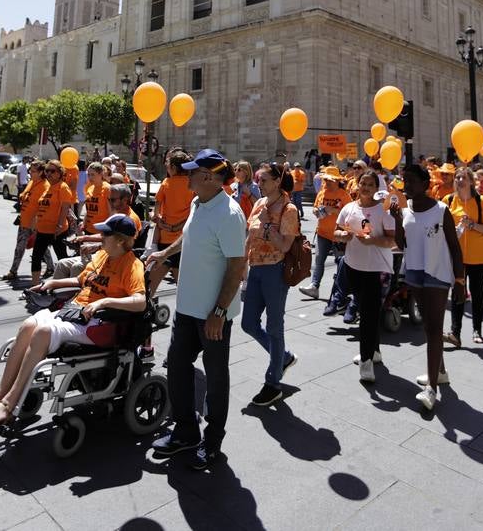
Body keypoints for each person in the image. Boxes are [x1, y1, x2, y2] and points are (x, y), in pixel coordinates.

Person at [0, 214, 146, 427]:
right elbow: (80, 280)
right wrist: (53, 283)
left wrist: (103, 303)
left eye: (106, 234)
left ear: (120, 240)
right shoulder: (103, 256)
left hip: (99, 323)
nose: (100, 237)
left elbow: (140, 301)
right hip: (75, 312)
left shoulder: (132, 265)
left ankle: (8, 405)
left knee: (43, 332)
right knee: (29, 325)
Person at [147, 149, 246, 471]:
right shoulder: (198, 203)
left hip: (212, 315)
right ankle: (186, 431)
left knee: (216, 377)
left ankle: (212, 440)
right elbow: (187, 238)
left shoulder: (229, 214)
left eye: (191, 171)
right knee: (177, 366)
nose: (185, 176)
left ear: (207, 177)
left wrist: (219, 312)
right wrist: (164, 255)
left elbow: (236, 266)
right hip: (187, 307)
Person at [396, 165, 465, 411]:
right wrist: (396, 220)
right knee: (428, 326)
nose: (407, 186)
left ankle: (431, 389)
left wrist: (460, 280)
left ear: (426, 184)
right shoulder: (405, 211)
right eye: (405, 181)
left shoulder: (441, 210)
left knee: (434, 328)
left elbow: (455, 248)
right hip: (415, 272)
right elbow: (401, 243)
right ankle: (441, 372)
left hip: (438, 273)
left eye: (412, 181)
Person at [241, 163, 299, 406]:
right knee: (248, 324)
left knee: (275, 326)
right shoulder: (258, 204)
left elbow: (285, 246)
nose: (259, 184)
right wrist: (241, 265)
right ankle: (282, 357)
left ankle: (273, 382)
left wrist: (267, 224)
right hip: (255, 268)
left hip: (275, 270)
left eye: (264, 180)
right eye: (258, 180)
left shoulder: (289, 208)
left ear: (277, 182)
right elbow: (249, 235)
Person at [333, 170, 395, 383]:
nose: (366, 187)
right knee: (366, 310)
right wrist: (344, 235)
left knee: (368, 315)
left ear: (377, 188)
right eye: (363, 183)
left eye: (370, 184)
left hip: (377, 270)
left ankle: (366, 362)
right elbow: (337, 231)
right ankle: (374, 350)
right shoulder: (349, 208)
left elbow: (393, 241)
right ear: (357, 185)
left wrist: (374, 241)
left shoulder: (383, 211)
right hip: (353, 267)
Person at [442, 167, 483, 346]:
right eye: (457, 177)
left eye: (463, 177)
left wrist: (472, 224)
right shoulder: (448, 200)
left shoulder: (482, 201)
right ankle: (455, 333)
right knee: (458, 293)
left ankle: (477, 330)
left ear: (471, 181)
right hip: (457, 258)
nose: (459, 180)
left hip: (480, 257)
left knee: (477, 294)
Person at [53, 181, 141, 279]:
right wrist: (84, 238)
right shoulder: (116, 214)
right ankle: (54, 292)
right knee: (61, 264)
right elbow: (106, 235)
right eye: (108, 199)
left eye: (112, 200)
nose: (109, 203)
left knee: (77, 267)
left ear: (125, 200)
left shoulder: (130, 219)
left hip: (113, 258)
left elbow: (124, 245)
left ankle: (79, 293)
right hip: (103, 254)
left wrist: (96, 246)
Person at [299, 165, 351, 299]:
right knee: (319, 260)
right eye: (325, 180)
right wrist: (317, 211)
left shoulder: (344, 195)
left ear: (336, 181)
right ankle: (314, 286)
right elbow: (316, 208)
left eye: (329, 180)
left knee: (341, 262)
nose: (326, 182)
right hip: (322, 233)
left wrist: (333, 211)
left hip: (338, 235)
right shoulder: (322, 192)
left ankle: (341, 290)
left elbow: (350, 214)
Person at [148, 150, 194, 297]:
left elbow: (156, 205)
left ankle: (145, 308)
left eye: (167, 165)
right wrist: (178, 226)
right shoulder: (191, 185)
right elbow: (194, 211)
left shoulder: (166, 182)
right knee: (184, 286)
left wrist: (159, 220)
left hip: (165, 239)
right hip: (183, 241)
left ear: (173, 168)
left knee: (150, 284)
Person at [0, 160, 53, 281]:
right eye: (30, 170)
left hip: (34, 224)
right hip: (24, 221)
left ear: (41, 173)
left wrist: (35, 226)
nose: (30, 172)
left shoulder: (45, 186)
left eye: (33, 171)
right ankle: (13, 271)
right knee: (20, 248)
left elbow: (42, 207)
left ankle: (50, 268)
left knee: (40, 248)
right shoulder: (32, 182)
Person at [31, 160, 73, 285]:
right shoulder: (47, 187)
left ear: (60, 173)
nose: (49, 173)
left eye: (52, 171)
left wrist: (59, 226)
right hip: (42, 229)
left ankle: (68, 285)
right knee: (36, 257)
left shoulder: (63, 187)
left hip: (56, 231)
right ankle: (35, 286)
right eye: (47, 171)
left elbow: (65, 208)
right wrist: (35, 224)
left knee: (62, 259)